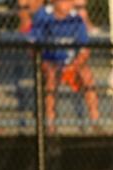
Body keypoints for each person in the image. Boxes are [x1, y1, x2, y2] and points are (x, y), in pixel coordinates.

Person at [29, 0, 98, 128]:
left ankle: (95, 121)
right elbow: (33, 47)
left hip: (71, 62)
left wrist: (73, 66)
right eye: (64, 1)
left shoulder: (76, 18)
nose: (68, 4)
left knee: (87, 75)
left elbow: (85, 50)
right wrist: (44, 63)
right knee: (51, 76)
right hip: (50, 62)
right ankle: (51, 124)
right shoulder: (43, 15)